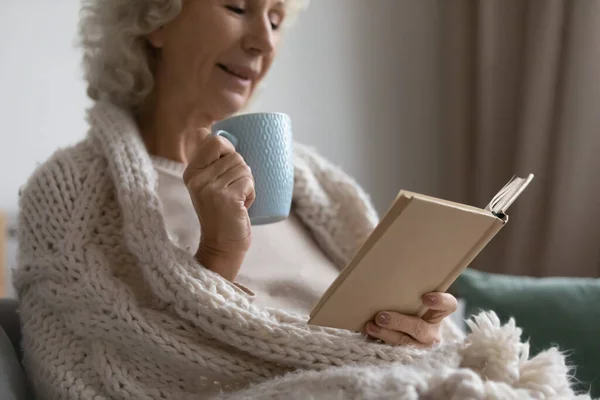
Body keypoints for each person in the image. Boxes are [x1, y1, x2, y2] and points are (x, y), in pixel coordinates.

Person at [13, 0, 461, 398]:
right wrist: (219, 255)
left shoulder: (314, 181)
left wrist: (420, 333)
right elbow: (121, 368)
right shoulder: (71, 192)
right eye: (237, 8)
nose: (264, 41)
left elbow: (419, 345)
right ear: (156, 20)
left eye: (275, 18)